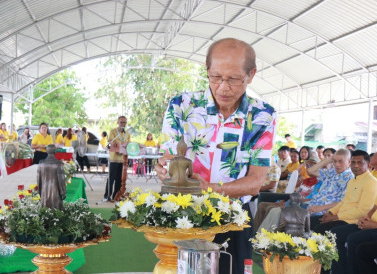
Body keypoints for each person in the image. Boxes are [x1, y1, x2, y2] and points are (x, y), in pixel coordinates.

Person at [155, 38, 276, 274]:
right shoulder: (182, 106)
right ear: (207, 70)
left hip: (235, 217)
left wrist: (208, 188)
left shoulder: (262, 115)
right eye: (216, 77)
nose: (222, 87)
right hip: (185, 215)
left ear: (250, 75)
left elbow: (255, 183)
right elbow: (168, 158)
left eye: (233, 79)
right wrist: (164, 168)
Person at [312, 150, 377, 237]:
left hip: (353, 220)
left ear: (368, 164)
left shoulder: (371, 182)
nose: (356, 166)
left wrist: (336, 217)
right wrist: (330, 213)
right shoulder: (352, 181)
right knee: (312, 221)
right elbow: (343, 202)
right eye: (353, 162)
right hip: (341, 217)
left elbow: (363, 211)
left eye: (360, 163)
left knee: (322, 229)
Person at [104, 116, 130, 201]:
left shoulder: (127, 133)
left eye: (125, 122)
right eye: (121, 122)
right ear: (118, 122)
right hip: (114, 158)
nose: (123, 124)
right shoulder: (113, 131)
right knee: (111, 178)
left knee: (119, 179)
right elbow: (111, 141)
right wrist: (118, 144)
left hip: (123, 159)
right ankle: (107, 195)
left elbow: (128, 144)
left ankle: (116, 196)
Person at [37, 144, 66, 210]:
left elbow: (38, 179)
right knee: (56, 210)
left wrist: (39, 191)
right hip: (55, 191)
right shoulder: (58, 163)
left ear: (47, 151)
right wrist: (63, 191)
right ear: (55, 151)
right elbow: (61, 180)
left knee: (45, 210)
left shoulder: (41, 163)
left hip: (44, 191)